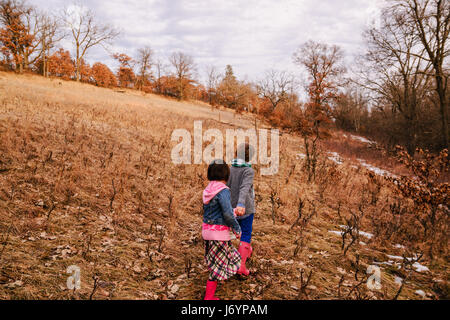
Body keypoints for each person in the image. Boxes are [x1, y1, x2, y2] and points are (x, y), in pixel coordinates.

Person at [202, 160, 242, 300]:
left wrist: (233, 211)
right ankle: (209, 298)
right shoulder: (223, 190)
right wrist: (237, 228)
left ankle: (211, 293)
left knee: (216, 262)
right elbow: (226, 214)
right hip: (219, 234)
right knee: (224, 263)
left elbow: (218, 211)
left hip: (207, 232)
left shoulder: (208, 189)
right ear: (226, 174)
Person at [227, 143, 256, 277]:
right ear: (250, 157)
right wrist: (241, 204)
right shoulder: (248, 171)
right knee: (246, 234)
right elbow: (244, 188)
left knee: (233, 232)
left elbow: (226, 186)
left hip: (231, 207)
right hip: (245, 208)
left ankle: (242, 252)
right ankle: (241, 266)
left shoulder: (231, 168)